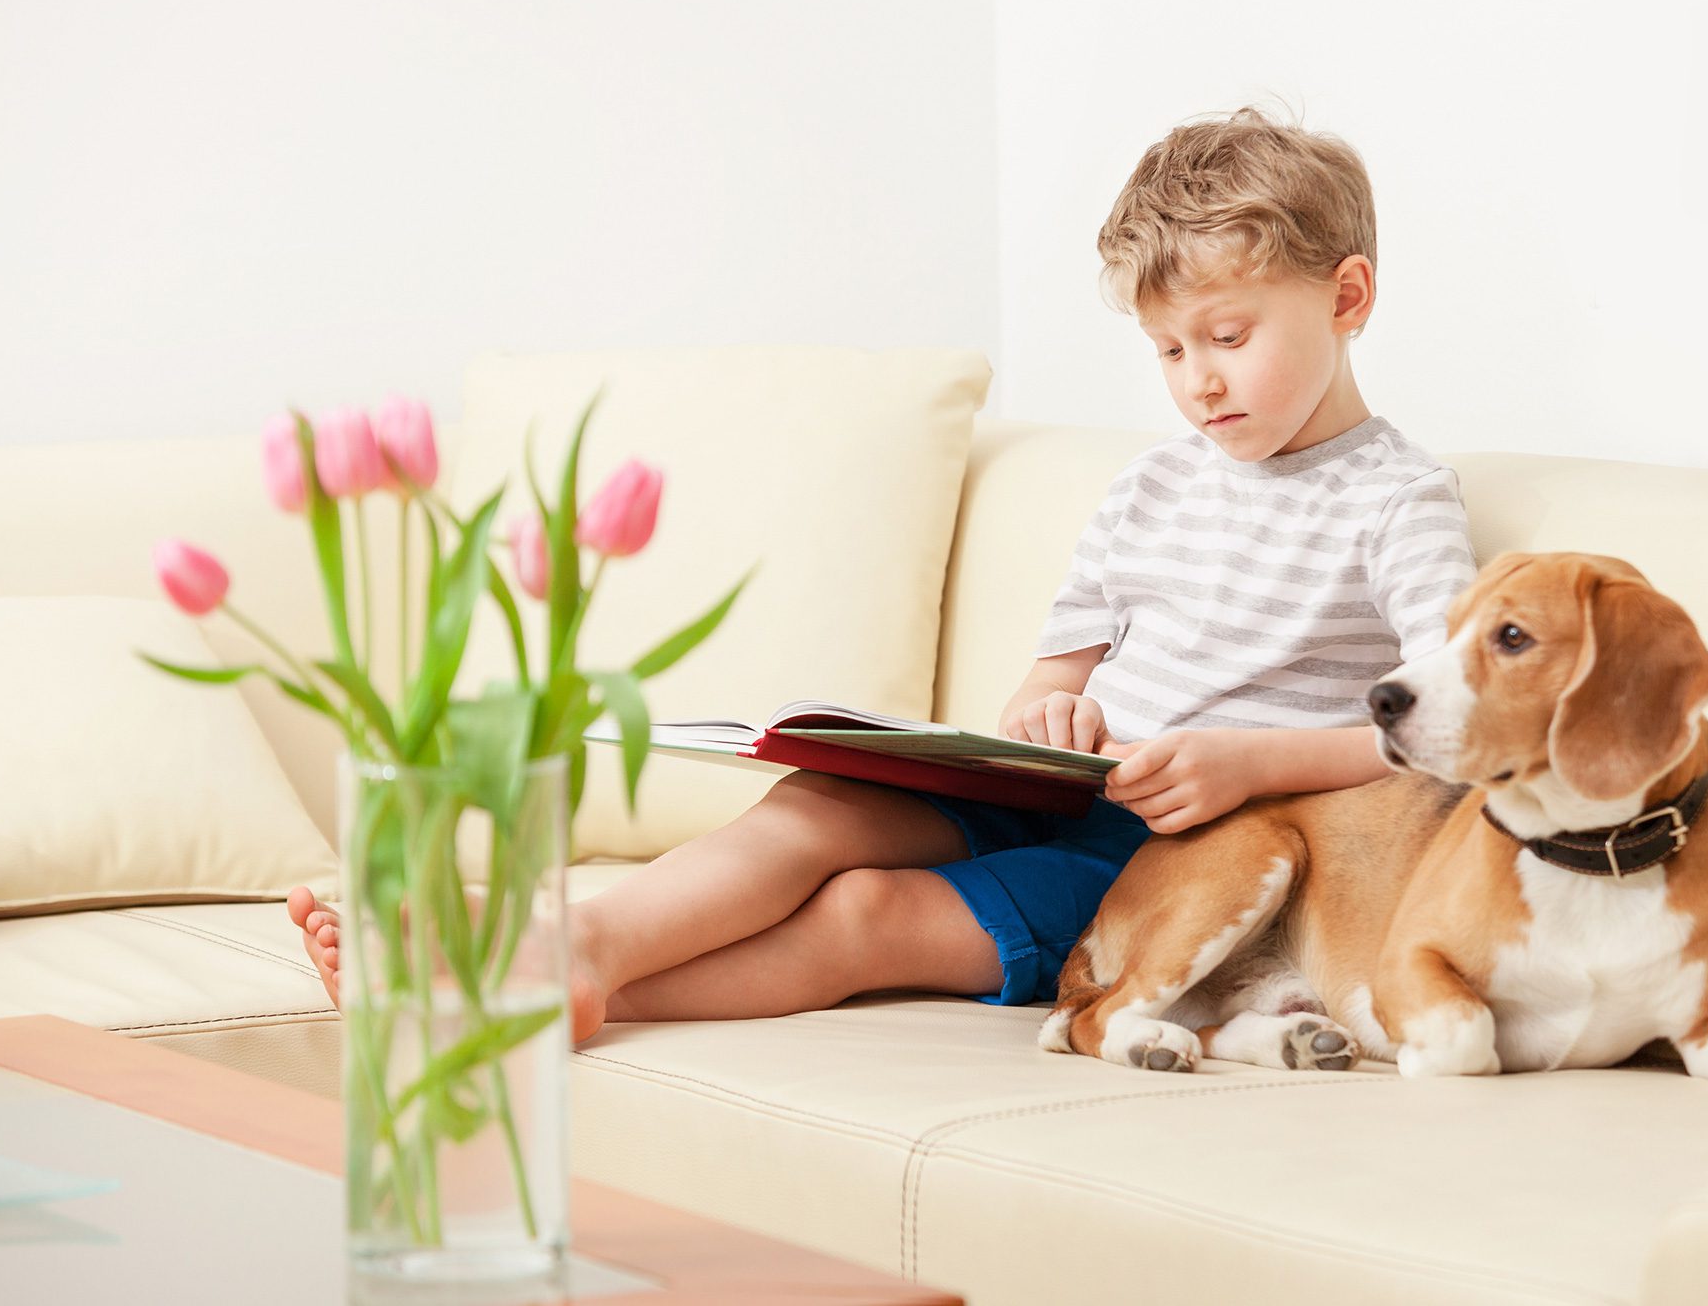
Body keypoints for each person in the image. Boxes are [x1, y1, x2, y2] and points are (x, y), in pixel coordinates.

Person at [288, 104, 1477, 1041]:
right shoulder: (1153, 486)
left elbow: (1453, 728)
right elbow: (1046, 683)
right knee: (815, 808)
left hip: (1187, 859)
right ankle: (576, 952)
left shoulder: (1396, 501)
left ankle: (534, 988)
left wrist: (1255, 761)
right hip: (1067, 787)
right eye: (1167, 349)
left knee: (865, 916)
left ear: (1347, 296)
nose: (1197, 382)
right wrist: (1049, 712)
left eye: (1229, 337)